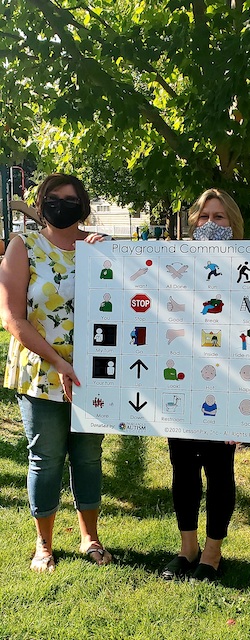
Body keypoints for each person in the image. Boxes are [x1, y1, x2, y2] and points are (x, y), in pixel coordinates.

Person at [0, 173, 112, 573]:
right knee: (45, 458)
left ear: (82, 204)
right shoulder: (23, 246)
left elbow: (129, 300)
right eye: (53, 198)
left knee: (88, 457)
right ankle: (43, 545)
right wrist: (60, 362)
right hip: (42, 370)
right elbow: (13, 318)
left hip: (94, 372)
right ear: (41, 202)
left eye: (70, 199)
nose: (61, 205)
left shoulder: (101, 248)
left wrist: (109, 260)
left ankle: (90, 537)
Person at [161, 188, 244, 582]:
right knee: (182, 466)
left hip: (227, 385)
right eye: (204, 217)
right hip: (183, 381)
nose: (212, 224)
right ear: (193, 223)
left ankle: (212, 553)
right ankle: (187, 547)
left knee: (219, 467)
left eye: (221, 218)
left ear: (234, 224)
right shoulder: (175, 263)